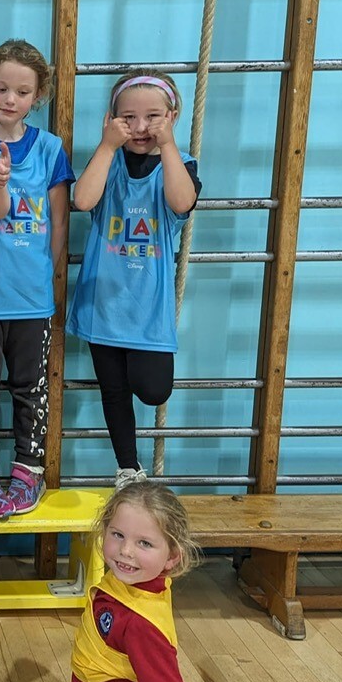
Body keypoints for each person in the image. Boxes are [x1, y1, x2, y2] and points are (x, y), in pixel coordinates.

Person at [0, 480, 200, 682]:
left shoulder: (142, 625)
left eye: (144, 543)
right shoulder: (128, 580)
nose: (126, 551)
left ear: (172, 557)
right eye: (118, 535)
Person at [0, 39, 75, 519]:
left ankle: (28, 467)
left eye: (22, 92)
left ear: (36, 96)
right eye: (1, 87)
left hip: (32, 299)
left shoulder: (50, 148)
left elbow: (59, 222)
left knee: (30, 388)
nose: (10, 99)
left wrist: (44, 275)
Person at [67, 71, 201, 490]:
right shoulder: (107, 159)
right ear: (112, 119)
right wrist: (108, 145)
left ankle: (131, 462)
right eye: (129, 118)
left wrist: (169, 144)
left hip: (148, 305)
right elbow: (82, 199)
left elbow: (182, 201)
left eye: (153, 117)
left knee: (153, 389)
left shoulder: (179, 165)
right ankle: (128, 466)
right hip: (103, 303)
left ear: (172, 116)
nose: (141, 128)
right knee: (114, 390)